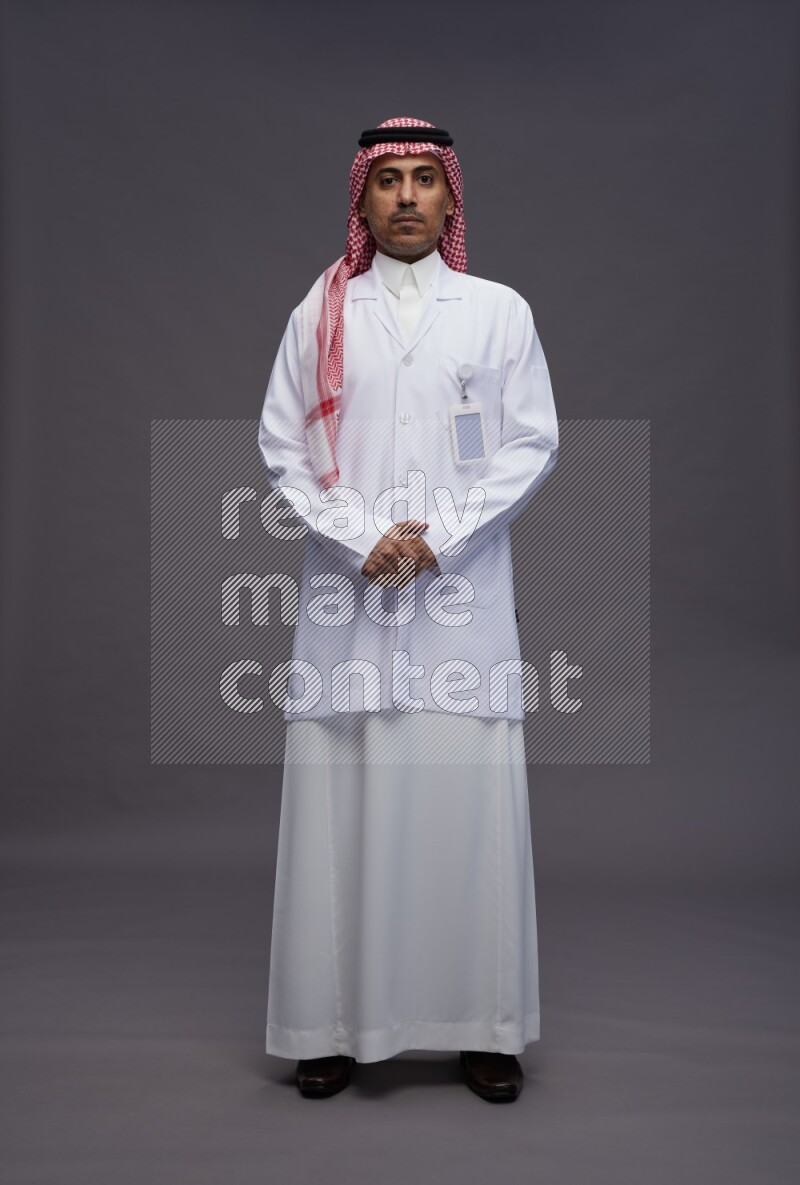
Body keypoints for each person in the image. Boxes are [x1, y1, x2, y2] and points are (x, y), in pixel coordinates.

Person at [257, 116, 559, 1102]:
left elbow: (529, 442)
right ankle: (328, 1024)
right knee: (339, 806)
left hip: (458, 596)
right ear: (360, 200)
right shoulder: (321, 316)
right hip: (350, 601)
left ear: (449, 199)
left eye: (423, 180)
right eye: (385, 182)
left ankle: (483, 1026)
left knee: (464, 809)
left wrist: (439, 534)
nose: (404, 199)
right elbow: (282, 448)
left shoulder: (496, 311)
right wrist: (360, 538)